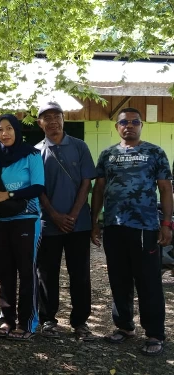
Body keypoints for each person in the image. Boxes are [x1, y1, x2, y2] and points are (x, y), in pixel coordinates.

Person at [91, 107, 171, 357]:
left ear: (141, 125)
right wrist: (94, 222)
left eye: (135, 122)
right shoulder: (108, 155)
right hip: (114, 227)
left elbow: (166, 190)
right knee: (119, 279)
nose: (129, 126)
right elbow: (99, 190)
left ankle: (155, 334)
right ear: (117, 126)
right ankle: (124, 327)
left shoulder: (155, 153)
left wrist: (167, 224)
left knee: (148, 281)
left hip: (145, 227)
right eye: (124, 122)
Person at [34, 101, 98, 341]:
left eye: (56, 116)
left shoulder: (79, 147)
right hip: (48, 224)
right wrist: (54, 215)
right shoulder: (36, 151)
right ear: (40, 123)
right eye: (46, 118)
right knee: (47, 273)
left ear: (63, 119)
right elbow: (37, 189)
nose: (52, 122)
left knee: (80, 274)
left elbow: (86, 183)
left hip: (78, 224)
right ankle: (48, 320)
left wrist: (72, 215)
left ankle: (80, 322)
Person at [0, 114, 44, 341]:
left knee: (27, 272)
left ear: (17, 131)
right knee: (4, 272)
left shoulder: (32, 155)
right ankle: (7, 319)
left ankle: (28, 323)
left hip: (26, 219)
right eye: (0, 129)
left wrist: (9, 194)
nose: (4, 133)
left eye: (9, 128)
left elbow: (37, 187)